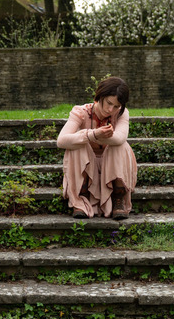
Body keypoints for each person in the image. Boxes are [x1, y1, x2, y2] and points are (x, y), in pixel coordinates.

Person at [57, 77, 137, 219]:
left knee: (120, 145)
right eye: (108, 103)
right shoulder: (80, 112)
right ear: (99, 96)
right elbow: (61, 140)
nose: (110, 110)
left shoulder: (122, 113)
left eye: (116, 106)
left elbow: (120, 138)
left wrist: (96, 135)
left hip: (112, 164)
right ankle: (81, 197)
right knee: (78, 143)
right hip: (85, 164)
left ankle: (118, 198)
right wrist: (91, 135)